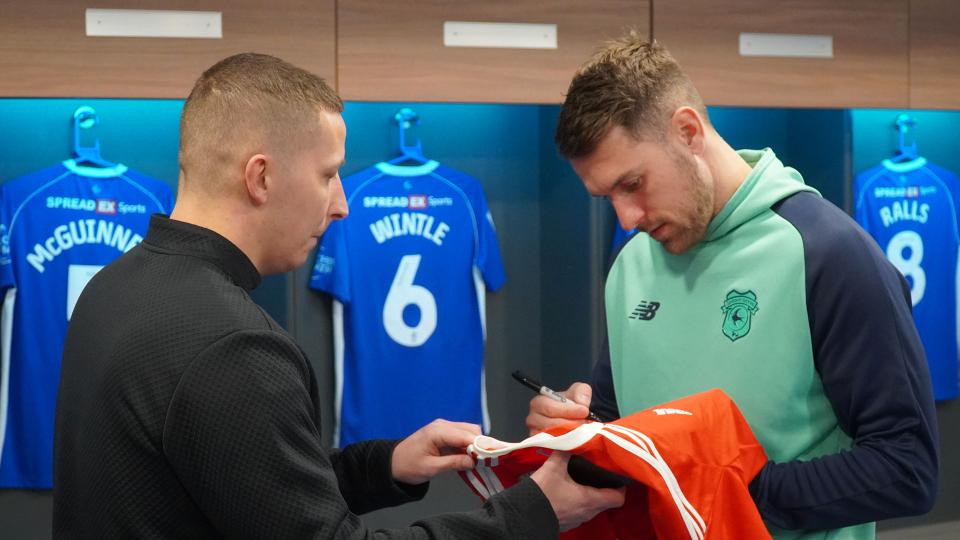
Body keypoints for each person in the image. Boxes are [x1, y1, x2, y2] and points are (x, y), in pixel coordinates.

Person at [53, 52, 624, 538]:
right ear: (261, 178)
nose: (341, 203)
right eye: (328, 174)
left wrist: (389, 465)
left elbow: (246, 484)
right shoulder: (232, 345)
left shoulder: (116, 287)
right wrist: (529, 513)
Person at [527, 32, 939, 539]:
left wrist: (733, 494)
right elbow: (624, 422)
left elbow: (906, 467)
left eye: (632, 184)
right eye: (606, 195)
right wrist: (582, 428)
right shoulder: (631, 263)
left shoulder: (830, 255)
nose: (627, 217)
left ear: (687, 131)